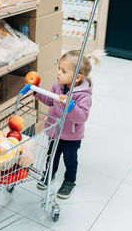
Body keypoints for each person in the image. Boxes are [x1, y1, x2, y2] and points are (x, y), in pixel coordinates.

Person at [35, 50, 103, 199]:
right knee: (51, 155)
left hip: (71, 136)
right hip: (55, 131)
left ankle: (69, 181)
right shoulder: (57, 85)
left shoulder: (83, 95)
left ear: (77, 77)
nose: (58, 73)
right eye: (59, 68)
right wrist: (37, 90)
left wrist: (70, 106)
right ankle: (49, 174)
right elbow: (50, 101)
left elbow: (81, 117)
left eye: (63, 71)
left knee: (70, 159)